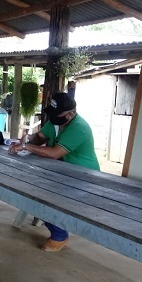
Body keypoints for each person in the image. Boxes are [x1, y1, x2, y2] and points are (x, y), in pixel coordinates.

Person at [8, 92, 100, 252]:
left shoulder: (79, 128)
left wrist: (25, 147)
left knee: (43, 196)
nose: (54, 118)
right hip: (60, 171)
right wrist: (28, 138)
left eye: (58, 115)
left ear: (70, 114)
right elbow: (40, 137)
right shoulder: (55, 122)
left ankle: (59, 234)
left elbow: (54, 153)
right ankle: (53, 224)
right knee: (28, 188)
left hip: (83, 177)